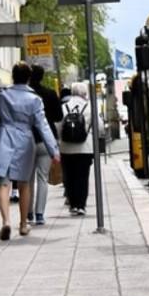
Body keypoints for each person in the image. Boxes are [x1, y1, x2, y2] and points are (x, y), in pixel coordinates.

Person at [0, 62, 60, 240]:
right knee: (24, 184)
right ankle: (23, 224)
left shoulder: (2, 93)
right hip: (25, 140)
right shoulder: (34, 99)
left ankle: (6, 221)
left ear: (13, 76)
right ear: (28, 78)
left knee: (4, 184)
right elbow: (43, 125)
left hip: (4, 137)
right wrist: (53, 150)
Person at [59, 81, 103, 216]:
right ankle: (81, 205)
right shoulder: (90, 107)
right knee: (82, 177)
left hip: (66, 148)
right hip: (85, 147)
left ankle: (72, 204)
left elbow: (58, 126)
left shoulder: (64, 107)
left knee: (69, 176)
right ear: (84, 93)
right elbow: (100, 127)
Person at [28, 64, 63, 225]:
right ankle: (39, 214)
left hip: (27, 139)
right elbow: (58, 116)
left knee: (27, 178)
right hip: (46, 139)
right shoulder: (50, 94)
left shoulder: (25, 94)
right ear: (42, 77)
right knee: (42, 177)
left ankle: (27, 211)